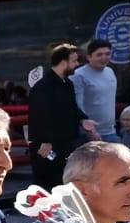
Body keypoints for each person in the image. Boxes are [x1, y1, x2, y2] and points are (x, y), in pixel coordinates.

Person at [27, 43, 94, 189]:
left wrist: (83, 119)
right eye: (74, 61)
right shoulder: (43, 86)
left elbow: (72, 107)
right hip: (48, 145)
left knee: (63, 180)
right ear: (63, 62)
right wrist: (45, 140)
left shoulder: (67, 84)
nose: (77, 64)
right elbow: (39, 114)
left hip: (66, 142)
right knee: (47, 181)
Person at [71, 38, 119, 140]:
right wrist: (88, 129)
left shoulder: (110, 72)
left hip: (111, 131)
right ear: (89, 57)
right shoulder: (78, 75)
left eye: (107, 54)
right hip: (89, 134)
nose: (104, 58)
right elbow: (77, 105)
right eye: (99, 55)